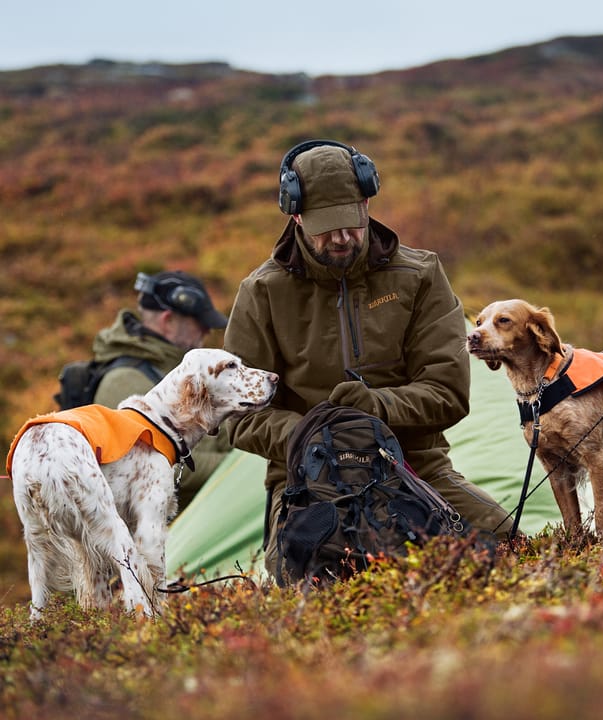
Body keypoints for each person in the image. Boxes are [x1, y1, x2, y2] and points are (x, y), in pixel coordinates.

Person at [223, 139, 515, 578]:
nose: (341, 237)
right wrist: (318, 435)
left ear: (366, 202)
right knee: (307, 583)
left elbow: (449, 393)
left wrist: (375, 410)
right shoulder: (262, 293)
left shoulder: (421, 276)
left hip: (417, 470)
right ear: (296, 215)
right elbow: (236, 414)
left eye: (351, 222)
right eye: (326, 226)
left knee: (510, 548)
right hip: (308, 484)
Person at [92, 269, 233, 512]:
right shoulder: (125, 382)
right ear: (168, 322)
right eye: (199, 324)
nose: (207, 332)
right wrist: (239, 469)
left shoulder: (178, 372)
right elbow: (158, 462)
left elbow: (216, 433)